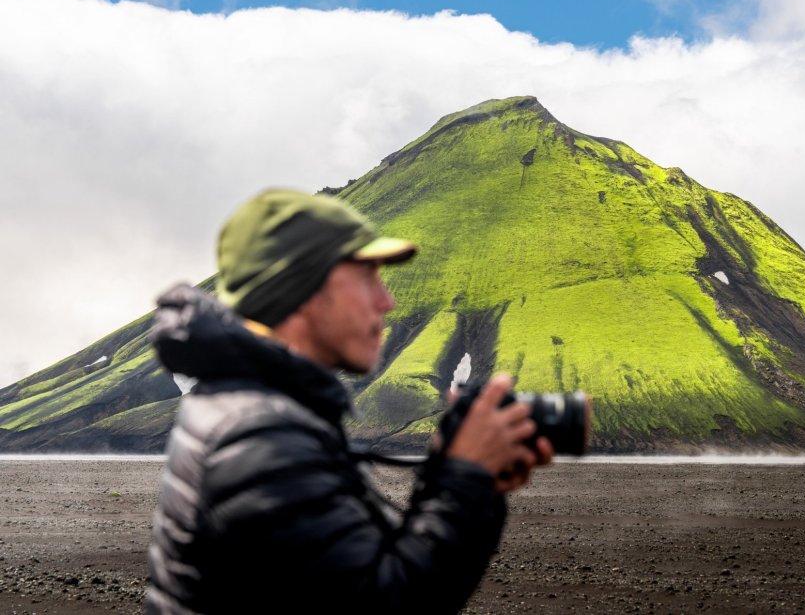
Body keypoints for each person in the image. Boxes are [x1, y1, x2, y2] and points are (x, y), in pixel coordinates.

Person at [146, 188, 554, 614]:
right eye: (367, 277)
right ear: (301, 288)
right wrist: (467, 482)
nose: (386, 301)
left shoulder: (246, 407)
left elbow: (351, 571)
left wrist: (457, 473)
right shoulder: (261, 437)